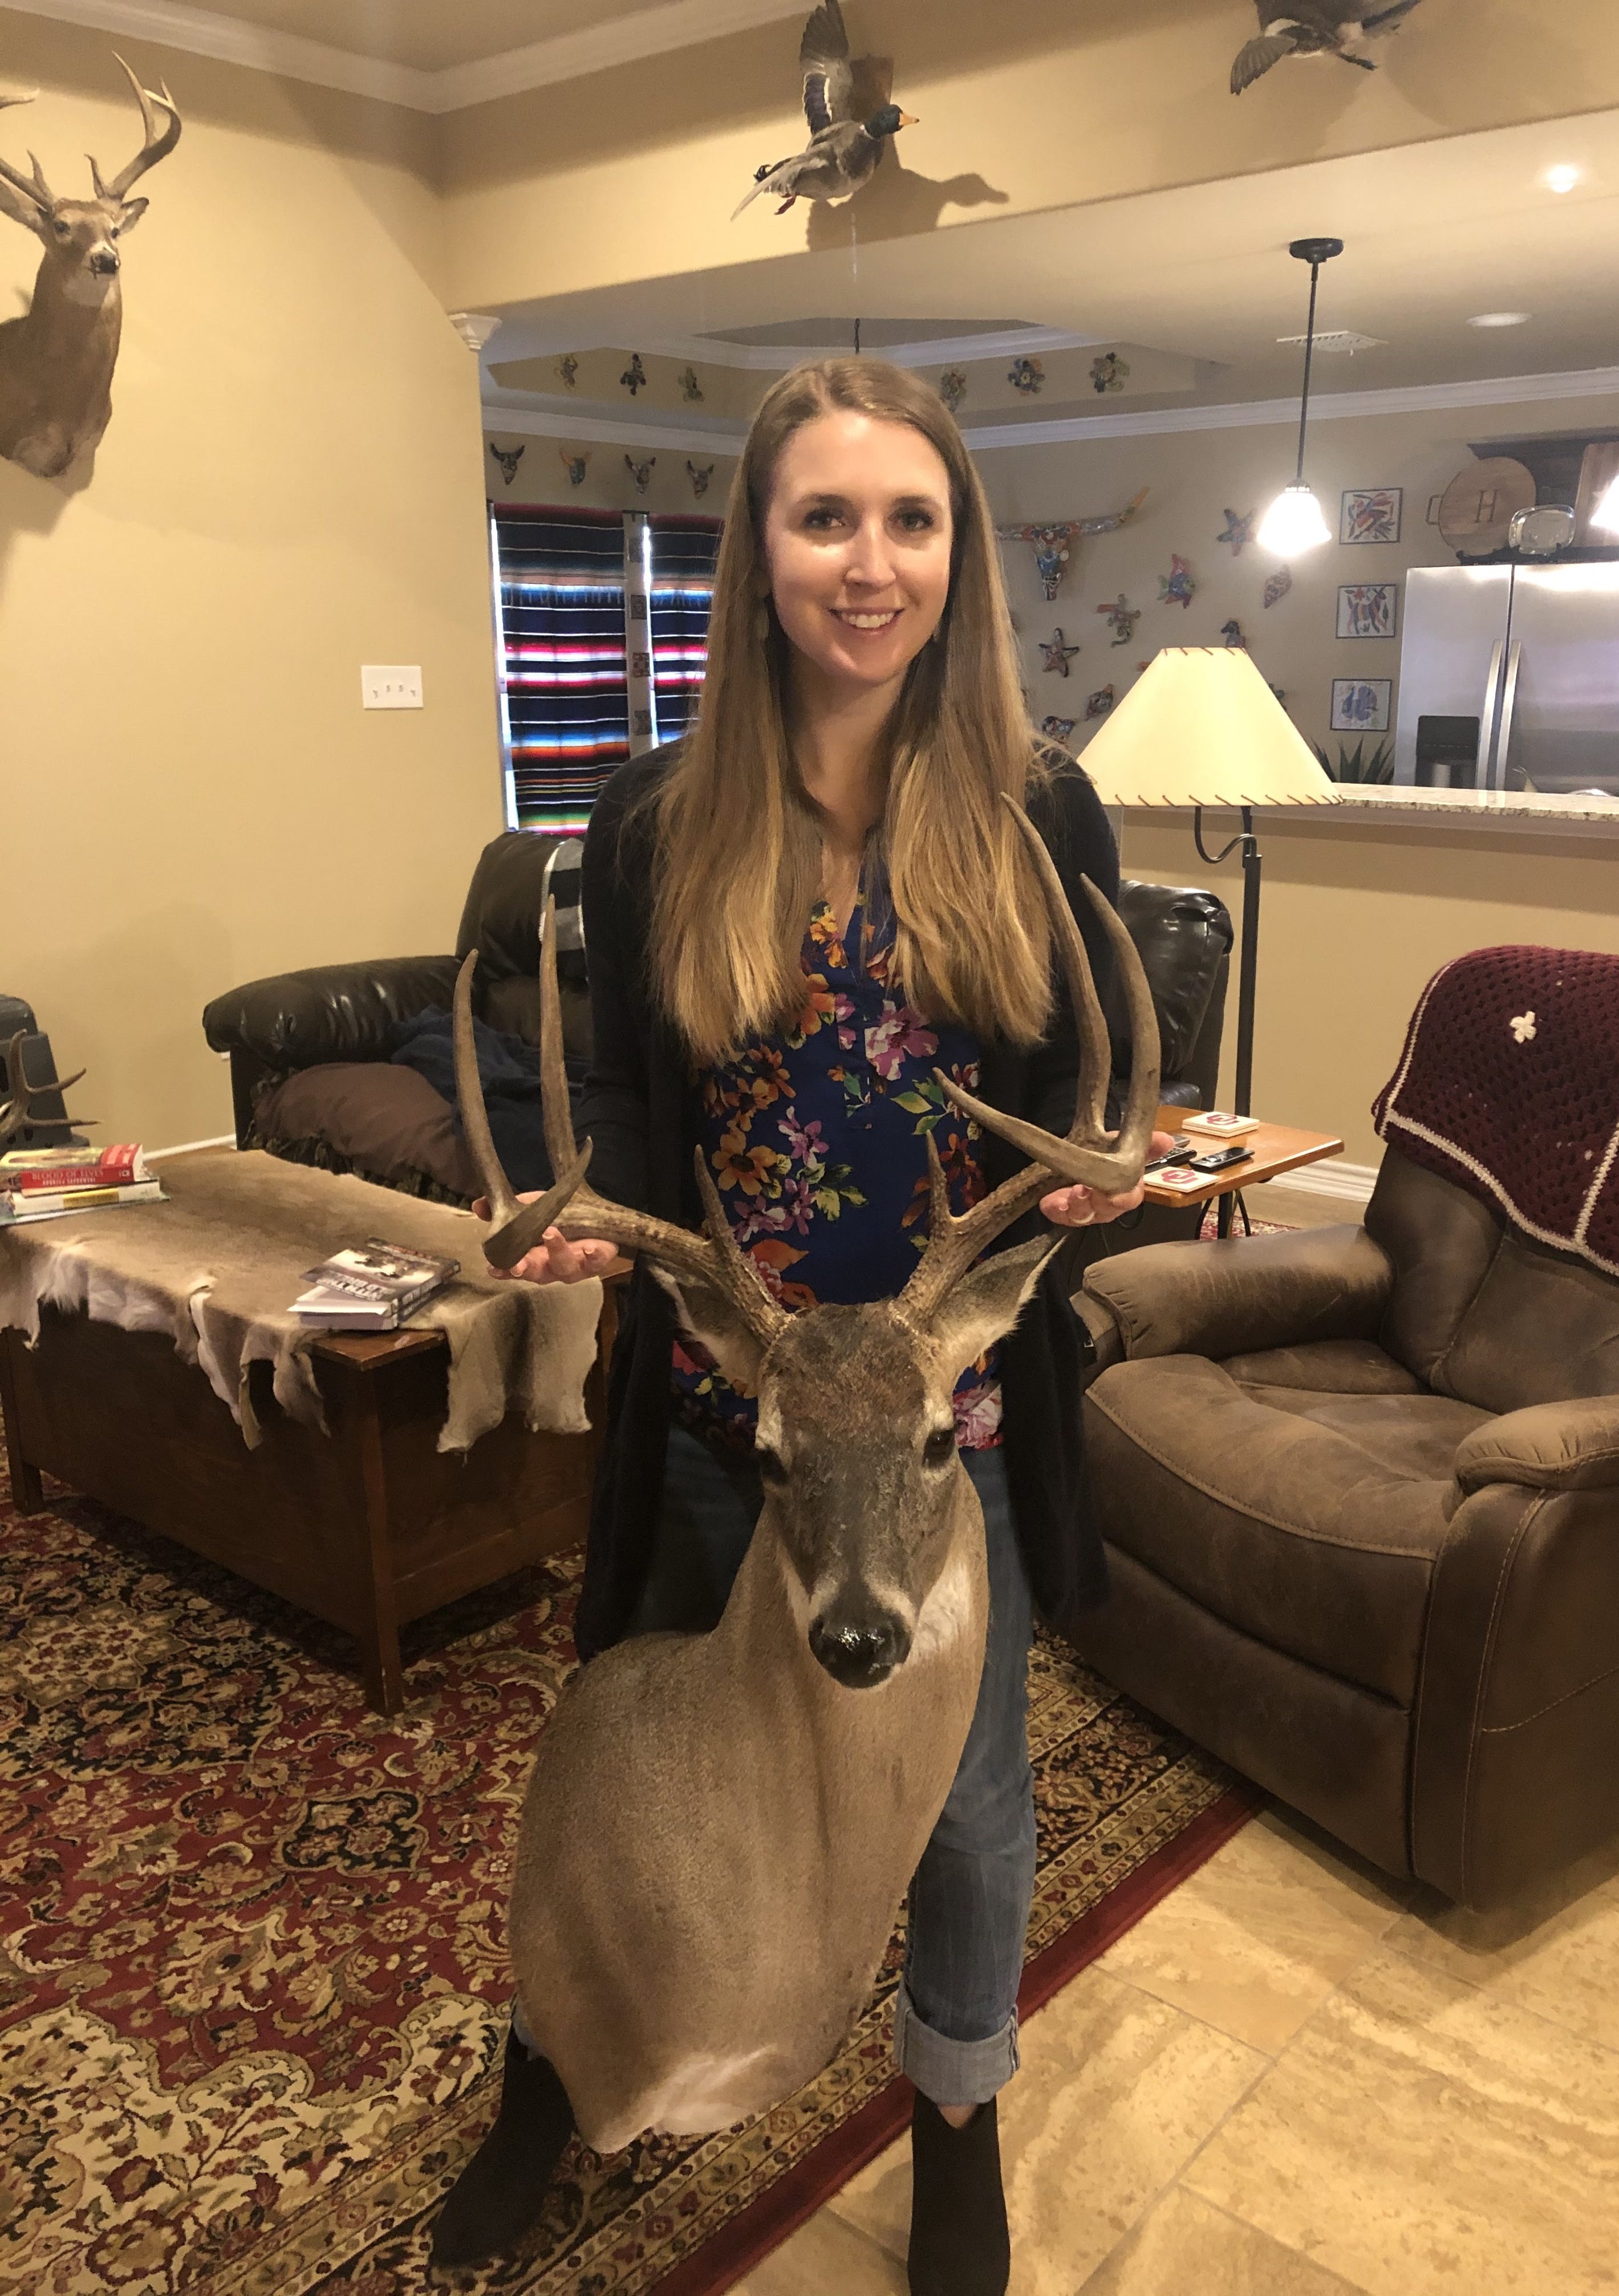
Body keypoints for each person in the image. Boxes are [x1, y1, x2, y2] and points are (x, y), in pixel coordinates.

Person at [431, 356, 1170, 2293]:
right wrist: (583, 1243)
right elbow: (607, 1102)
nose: (870, 563)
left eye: (910, 520)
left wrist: (1095, 1194)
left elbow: (1098, 1098)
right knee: (626, 1768)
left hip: (944, 1420)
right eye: (824, 517)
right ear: (758, 552)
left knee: (971, 1805)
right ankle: (544, 2071)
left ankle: (957, 2123)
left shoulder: (1040, 812)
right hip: (729, 1396)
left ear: (960, 552)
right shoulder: (659, 824)